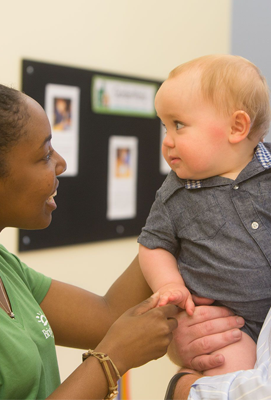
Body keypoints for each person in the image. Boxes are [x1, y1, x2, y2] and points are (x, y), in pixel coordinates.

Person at [0, 75, 242, 400]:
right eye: (44, 154)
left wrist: (181, 218)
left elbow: (106, 315)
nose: (60, 163)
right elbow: (112, 337)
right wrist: (110, 360)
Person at [137, 54, 271, 376]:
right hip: (226, 327)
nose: (167, 141)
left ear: (237, 127)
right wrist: (169, 283)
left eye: (178, 125)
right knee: (230, 378)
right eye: (165, 126)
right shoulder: (175, 194)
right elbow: (153, 244)